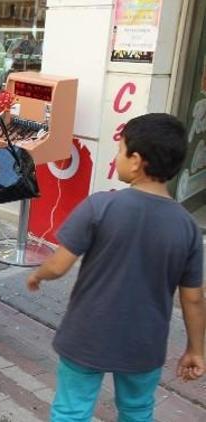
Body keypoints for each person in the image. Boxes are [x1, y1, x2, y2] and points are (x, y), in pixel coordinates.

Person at [27, 113, 205, 421]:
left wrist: (37, 274)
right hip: (144, 342)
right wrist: (195, 349)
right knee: (137, 411)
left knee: (71, 411)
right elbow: (193, 297)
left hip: (86, 334)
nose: (117, 157)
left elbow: (58, 266)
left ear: (136, 160)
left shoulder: (101, 205)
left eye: (120, 150)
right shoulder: (188, 227)